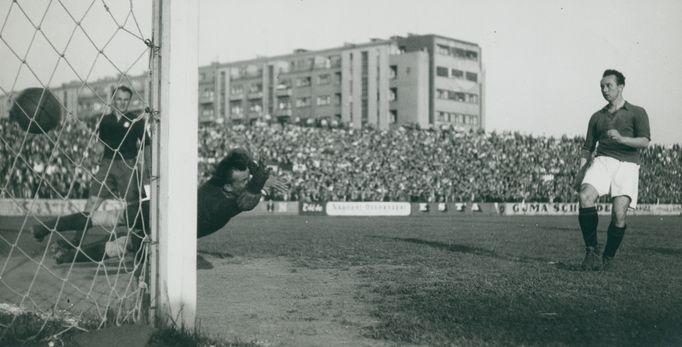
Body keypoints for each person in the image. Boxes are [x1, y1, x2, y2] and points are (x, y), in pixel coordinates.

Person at [53, 148, 287, 264]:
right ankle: (49, 230)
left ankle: (66, 256)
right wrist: (259, 179)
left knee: (117, 245)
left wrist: (258, 179)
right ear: (228, 185)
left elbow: (248, 197)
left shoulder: (225, 196)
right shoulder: (225, 197)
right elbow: (241, 162)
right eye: (243, 180)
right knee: (106, 222)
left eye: (246, 180)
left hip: (169, 229)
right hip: (164, 215)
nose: (245, 184)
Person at [32, 85, 149, 247]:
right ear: (114, 100)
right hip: (107, 166)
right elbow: (101, 144)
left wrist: (147, 169)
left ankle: (138, 244)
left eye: (125, 100)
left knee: (133, 208)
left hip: (127, 166)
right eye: (119, 99)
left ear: (129, 101)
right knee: (91, 205)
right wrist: (92, 156)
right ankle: (76, 241)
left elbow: (147, 144)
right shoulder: (106, 121)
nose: (122, 103)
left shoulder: (137, 120)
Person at [574, 69, 650, 271]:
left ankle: (608, 256)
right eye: (602, 86)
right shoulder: (597, 117)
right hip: (603, 160)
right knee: (585, 196)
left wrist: (622, 139)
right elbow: (588, 147)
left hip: (628, 164)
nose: (604, 90)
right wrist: (581, 173)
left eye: (609, 85)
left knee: (619, 214)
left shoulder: (637, 112)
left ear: (621, 87)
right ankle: (591, 251)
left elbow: (645, 142)